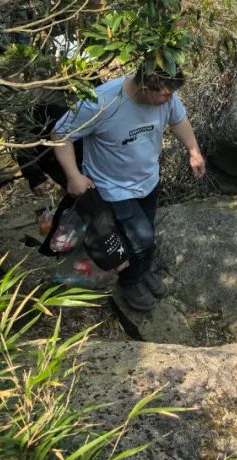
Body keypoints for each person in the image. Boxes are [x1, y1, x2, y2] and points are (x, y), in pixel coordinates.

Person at [52, 67, 206, 311]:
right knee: (140, 238)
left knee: (145, 232)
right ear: (144, 86)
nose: (170, 99)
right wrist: (73, 176)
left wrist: (194, 151)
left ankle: (142, 271)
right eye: (165, 94)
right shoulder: (101, 102)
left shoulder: (165, 95)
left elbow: (178, 119)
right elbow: (61, 133)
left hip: (148, 179)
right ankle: (131, 281)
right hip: (112, 186)